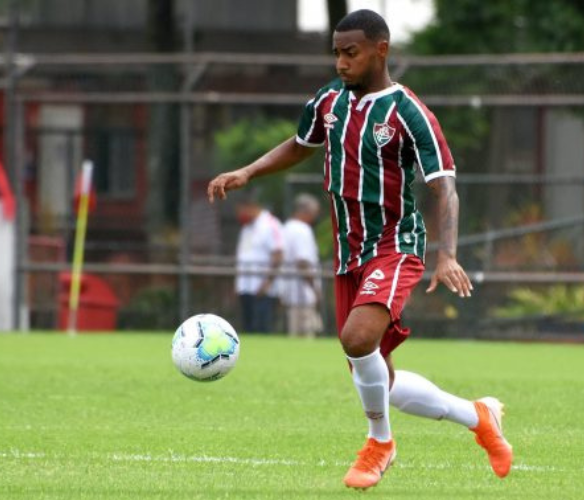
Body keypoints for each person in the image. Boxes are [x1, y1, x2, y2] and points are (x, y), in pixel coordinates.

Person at [208, 9, 512, 491]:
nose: (341, 63)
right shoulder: (330, 99)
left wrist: (447, 253)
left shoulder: (408, 111)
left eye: (351, 53)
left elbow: (445, 186)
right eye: (336, 53)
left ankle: (380, 444)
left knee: (356, 339)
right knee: (378, 378)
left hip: (394, 244)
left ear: (381, 49)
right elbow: (301, 142)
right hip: (347, 254)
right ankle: (478, 418)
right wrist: (248, 172)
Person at [234, 189, 283, 333]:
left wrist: (267, 283)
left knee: (262, 329)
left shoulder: (270, 223)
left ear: (251, 206)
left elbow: (278, 254)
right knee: (248, 329)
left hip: (263, 289)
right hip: (245, 287)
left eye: (240, 209)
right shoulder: (247, 227)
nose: (239, 214)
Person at [280, 193, 323, 338]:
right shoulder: (302, 229)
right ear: (306, 211)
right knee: (305, 334)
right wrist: (314, 289)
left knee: (293, 332)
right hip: (302, 293)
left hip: (289, 291)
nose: (315, 217)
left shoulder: (287, 227)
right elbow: (302, 261)